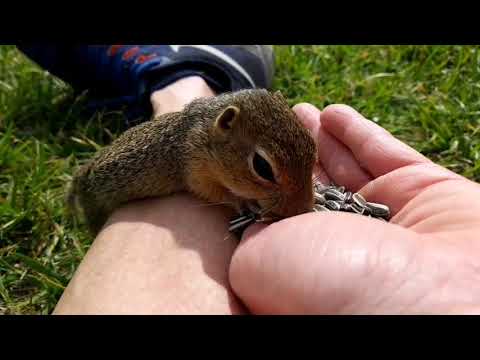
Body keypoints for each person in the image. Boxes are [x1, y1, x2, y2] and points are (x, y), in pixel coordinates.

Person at [19, 45, 480, 314]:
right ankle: (192, 84)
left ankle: (178, 80)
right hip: (101, 192)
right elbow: (201, 181)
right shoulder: (196, 149)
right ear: (225, 126)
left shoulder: (225, 142)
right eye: (262, 168)